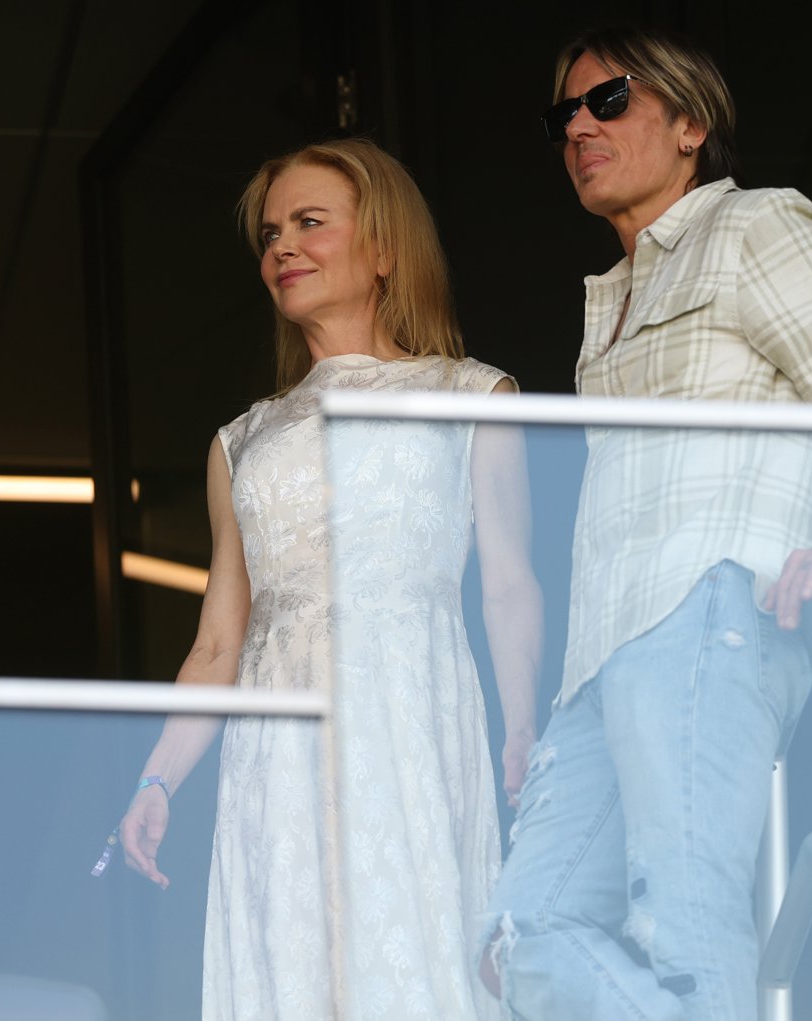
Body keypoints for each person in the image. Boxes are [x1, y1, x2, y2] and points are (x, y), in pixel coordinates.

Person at [480, 26, 812, 1020]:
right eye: (564, 114)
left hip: (713, 606)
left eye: (609, 102)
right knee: (520, 940)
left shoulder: (758, 225)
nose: (579, 127)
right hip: (600, 661)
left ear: (691, 124)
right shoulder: (607, 299)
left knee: (684, 927)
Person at [114, 137, 541, 1020]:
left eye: (311, 223)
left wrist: (523, 728)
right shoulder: (243, 440)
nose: (282, 247)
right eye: (270, 233)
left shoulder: (475, 395)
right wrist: (157, 780)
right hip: (277, 753)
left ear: (384, 248)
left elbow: (509, 583)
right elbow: (217, 641)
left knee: (414, 958)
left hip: (412, 723)